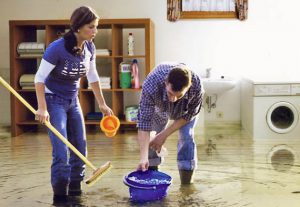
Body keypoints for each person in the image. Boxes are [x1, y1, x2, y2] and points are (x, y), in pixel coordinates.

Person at [34, 6, 113, 204]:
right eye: (91, 27)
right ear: (78, 27)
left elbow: (93, 76)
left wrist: (102, 104)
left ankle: (76, 194)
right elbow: (39, 78)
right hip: (54, 101)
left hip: (73, 101)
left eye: (96, 27)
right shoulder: (57, 48)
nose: (95, 31)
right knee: (61, 152)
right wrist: (42, 108)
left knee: (80, 147)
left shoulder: (89, 47)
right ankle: (60, 198)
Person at [136, 62, 203, 184]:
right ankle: (152, 174)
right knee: (151, 141)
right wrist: (143, 157)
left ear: (188, 88)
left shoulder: (196, 86)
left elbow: (189, 115)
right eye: (170, 93)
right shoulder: (152, 85)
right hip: (160, 109)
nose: (173, 99)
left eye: (179, 96)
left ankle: (186, 184)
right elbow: (144, 123)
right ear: (165, 82)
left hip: (185, 112)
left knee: (186, 137)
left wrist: (163, 135)